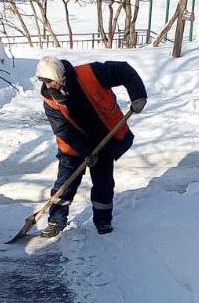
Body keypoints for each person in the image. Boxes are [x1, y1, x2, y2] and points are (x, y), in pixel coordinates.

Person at [35, 55, 147, 237]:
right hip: (72, 144)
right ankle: (56, 221)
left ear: (59, 75)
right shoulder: (50, 100)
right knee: (65, 183)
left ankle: (103, 221)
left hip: (104, 138)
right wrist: (86, 151)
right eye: (43, 82)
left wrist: (138, 95)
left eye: (49, 80)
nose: (47, 86)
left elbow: (124, 70)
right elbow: (63, 130)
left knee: (103, 182)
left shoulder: (92, 73)